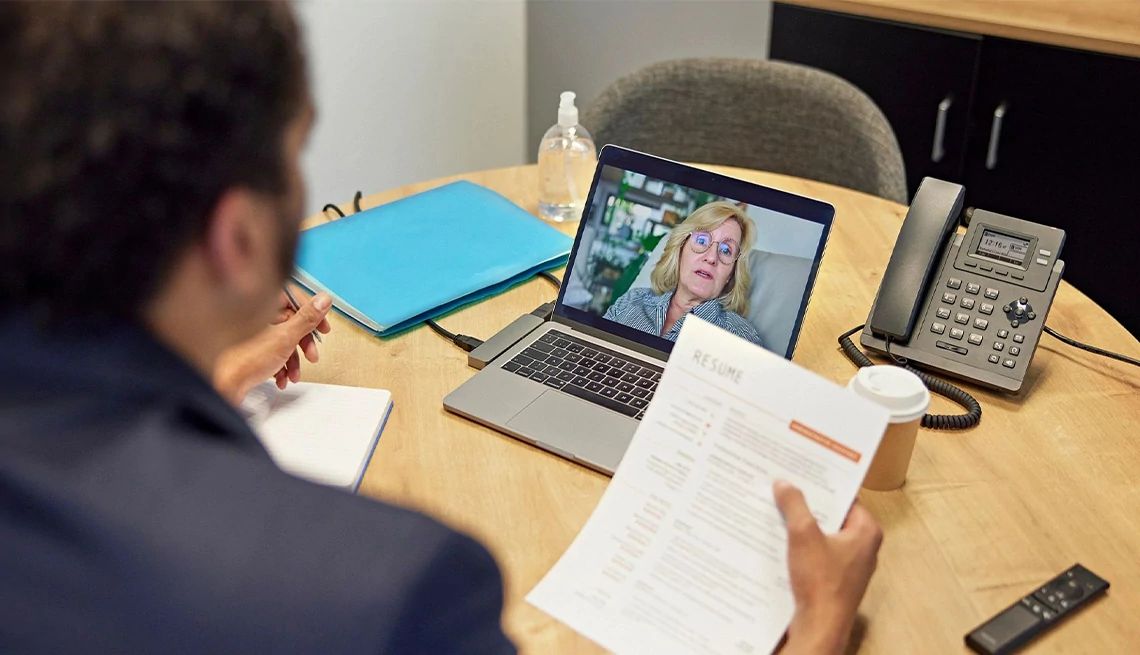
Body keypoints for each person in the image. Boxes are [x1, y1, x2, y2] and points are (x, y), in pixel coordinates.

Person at [0, 2, 881, 653]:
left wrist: (209, 367)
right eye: (295, 158)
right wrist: (822, 625)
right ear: (237, 238)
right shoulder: (392, 597)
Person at [604, 201, 765, 346]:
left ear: (731, 274)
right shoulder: (632, 301)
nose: (711, 257)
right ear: (680, 249)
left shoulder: (740, 340)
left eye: (726, 250)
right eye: (702, 241)